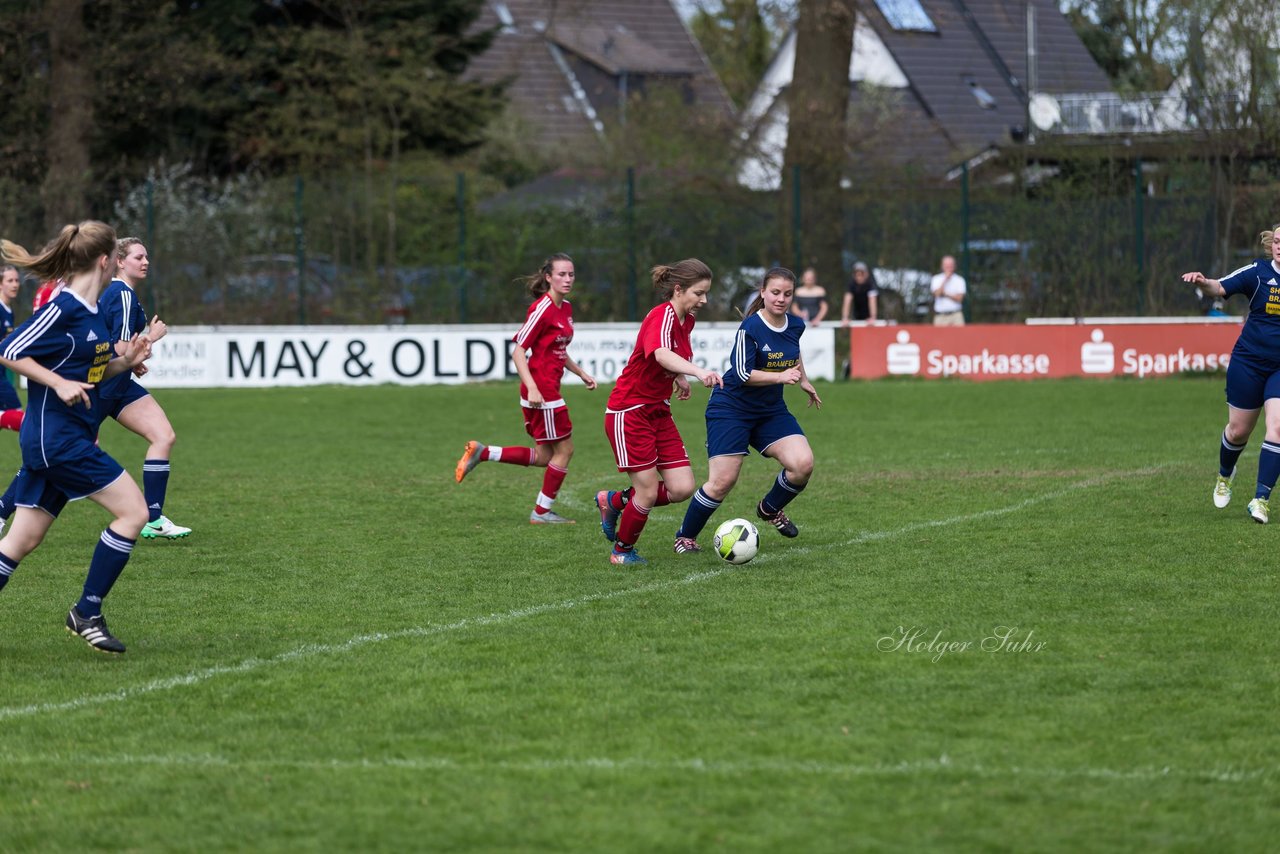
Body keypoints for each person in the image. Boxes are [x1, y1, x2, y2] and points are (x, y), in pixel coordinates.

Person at [0, 221, 153, 654]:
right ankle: (86, 611)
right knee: (134, 513)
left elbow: (93, 372)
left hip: (65, 438)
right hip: (57, 440)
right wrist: (57, 383)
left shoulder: (90, 311)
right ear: (106, 261)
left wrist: (127, 362)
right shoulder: (63, 306)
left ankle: (86, 612)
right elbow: (9, 349)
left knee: (20, 541)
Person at [673, 267, 822, 554]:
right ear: (763, 292)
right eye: (775, 292)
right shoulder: (750, 328)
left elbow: (793, 350)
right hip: (731, 407)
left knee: (803, 464)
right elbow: (741, 373)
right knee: (722, 481)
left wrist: (803, 379)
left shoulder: (795, 325)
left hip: (769, 410)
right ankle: (685, 536)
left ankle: (769, 509)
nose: (781, 299)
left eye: (787, 294)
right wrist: (781, 377)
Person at [595, 259, 723, 565]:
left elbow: (671, 356)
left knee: (682, 487)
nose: (703, 300)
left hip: (658, 411)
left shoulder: (686, 320)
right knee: (648, 492)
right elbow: (661, 353)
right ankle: (622, 552)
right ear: (678, 290)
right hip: (630, 411)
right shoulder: (661, 316)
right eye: (698, 293)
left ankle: (614, 500)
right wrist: (695, 371)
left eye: (706, 293)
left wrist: (679, 377)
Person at [455, 253, 597, 523]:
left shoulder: (565, 308)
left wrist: (580, 373)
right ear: (548, 277)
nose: (567, 279)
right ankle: (541, 512)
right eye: (561, 274)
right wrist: (532, 387)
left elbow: (558, 349)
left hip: (547, 390)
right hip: (543, 393)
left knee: (545, 456)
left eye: (571, 274)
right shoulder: (542, 309)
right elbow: (519, 351)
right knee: (565, 451)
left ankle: (483, 452)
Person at [1182, 223, 1280, 524]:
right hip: (1248, 363)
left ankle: (1261, 499)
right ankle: (1225, 475)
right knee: (1238, 431)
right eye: (1277, 241)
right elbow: (1220, 286)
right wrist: (1202, 283)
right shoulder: (1258, 273)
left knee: (1277, 428)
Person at [99, 238, 190, 539]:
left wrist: (134, 362)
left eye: (147, 256)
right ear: (120, 262)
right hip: (102, 387)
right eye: (139, 257)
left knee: (163, 435)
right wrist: (152, 336)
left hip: (120, 383)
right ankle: (4, 510)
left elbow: (119, 350)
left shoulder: (122, 294)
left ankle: (154, 517)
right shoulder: (122, 294)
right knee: (59, 453)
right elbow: (122, 347)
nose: (146, 261)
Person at [0, 265, 24, 431]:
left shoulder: (9, 311)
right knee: (23, 420)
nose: (15, 284)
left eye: (16, 280)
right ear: (0, 284)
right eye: (10, 280)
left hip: (2, 375)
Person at [930, 255, 966, 326]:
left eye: (951, 265)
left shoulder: (959, 280)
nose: (949, 267)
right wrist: (945, 280)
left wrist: (945, 294)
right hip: (940, 316)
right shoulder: (936, 279)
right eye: (946, 265)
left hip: (956, 315)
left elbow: (959, 299)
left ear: (954, 266)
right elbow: (937, 294)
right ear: (942, 266)